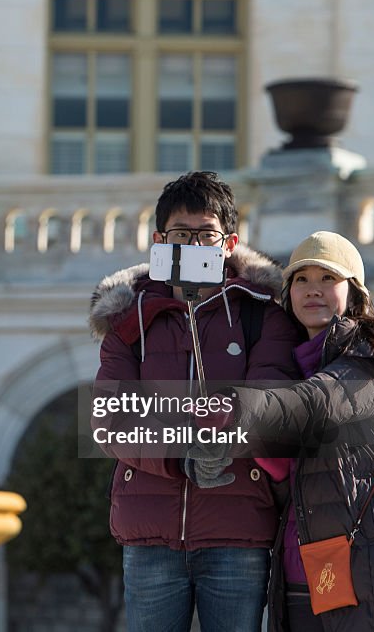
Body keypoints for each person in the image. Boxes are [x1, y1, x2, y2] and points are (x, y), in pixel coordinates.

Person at [88, 171, 301, 632]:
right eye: (181, 235)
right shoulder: (128, 316)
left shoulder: (262, 314)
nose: (193, 246)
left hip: (237, 528)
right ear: (159, 240)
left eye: (206, 235)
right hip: (150, 536)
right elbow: (110, 419)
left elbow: (267, 403)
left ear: (228, 242)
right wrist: (179, 456)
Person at [218, 231, 374, 631]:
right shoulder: (287, 368)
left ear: (355, 294)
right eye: (302, 279)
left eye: (328, 279)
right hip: (303, 572)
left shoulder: (367, 363)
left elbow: (315, 403)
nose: (314, 290)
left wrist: (236, 405)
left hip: (373, 569)